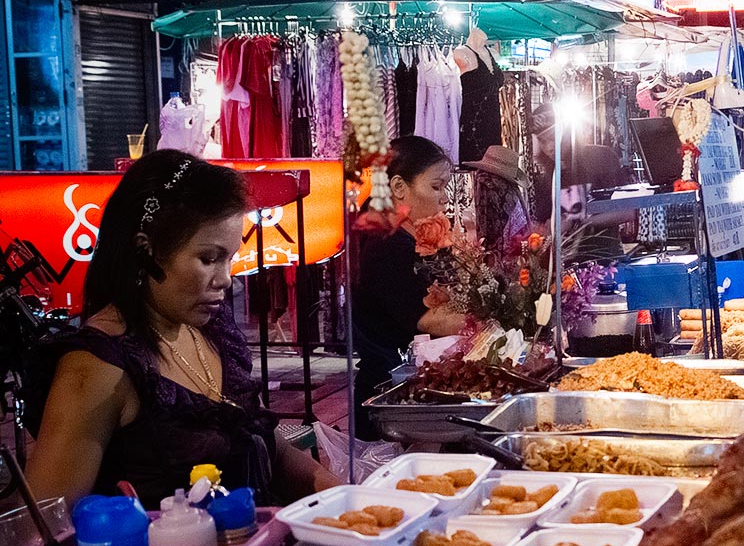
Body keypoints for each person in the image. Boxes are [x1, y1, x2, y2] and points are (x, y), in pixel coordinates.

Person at [26, 151, 338, 509]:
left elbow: (261, 438)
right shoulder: (97, 367)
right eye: (209, 259)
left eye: (229, 258)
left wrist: (331, 488)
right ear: (147, 252)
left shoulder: (210, 331)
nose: (225, 279)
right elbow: (46, 529)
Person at [351, 135, 459, 437]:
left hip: (401, 387)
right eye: (436, 186)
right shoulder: (386, 243)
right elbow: (431, 320)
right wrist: (494, 317)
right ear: (399, 187)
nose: (444, 198)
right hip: (388, 397)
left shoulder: (401, 236)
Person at [466, 144, 529, 251]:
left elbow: (487, 229)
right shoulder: (511, 190)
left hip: (501, 252)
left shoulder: (486, 183)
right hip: (514, 249)